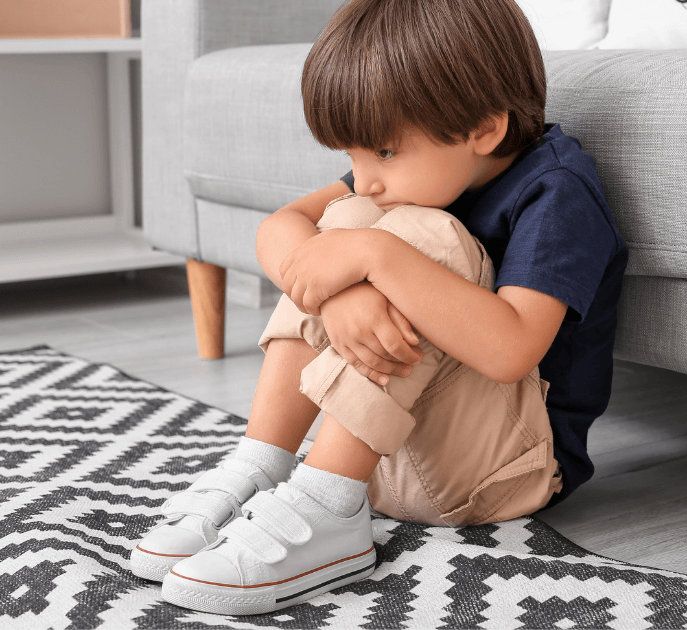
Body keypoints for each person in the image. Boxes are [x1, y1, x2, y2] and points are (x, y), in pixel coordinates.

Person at [129, 0, 627, 615]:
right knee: (339, 226)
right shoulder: (408, 174)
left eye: (383, 154)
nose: (364, 178)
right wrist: (346, 289)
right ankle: (264, 466)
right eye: (353, 156)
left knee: (399, 237)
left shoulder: (558, 191)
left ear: (484, 130)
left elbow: (511, 349)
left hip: (505, 475)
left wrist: (375, 258)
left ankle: (328, 508)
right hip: (386, 455)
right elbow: (281, 227)